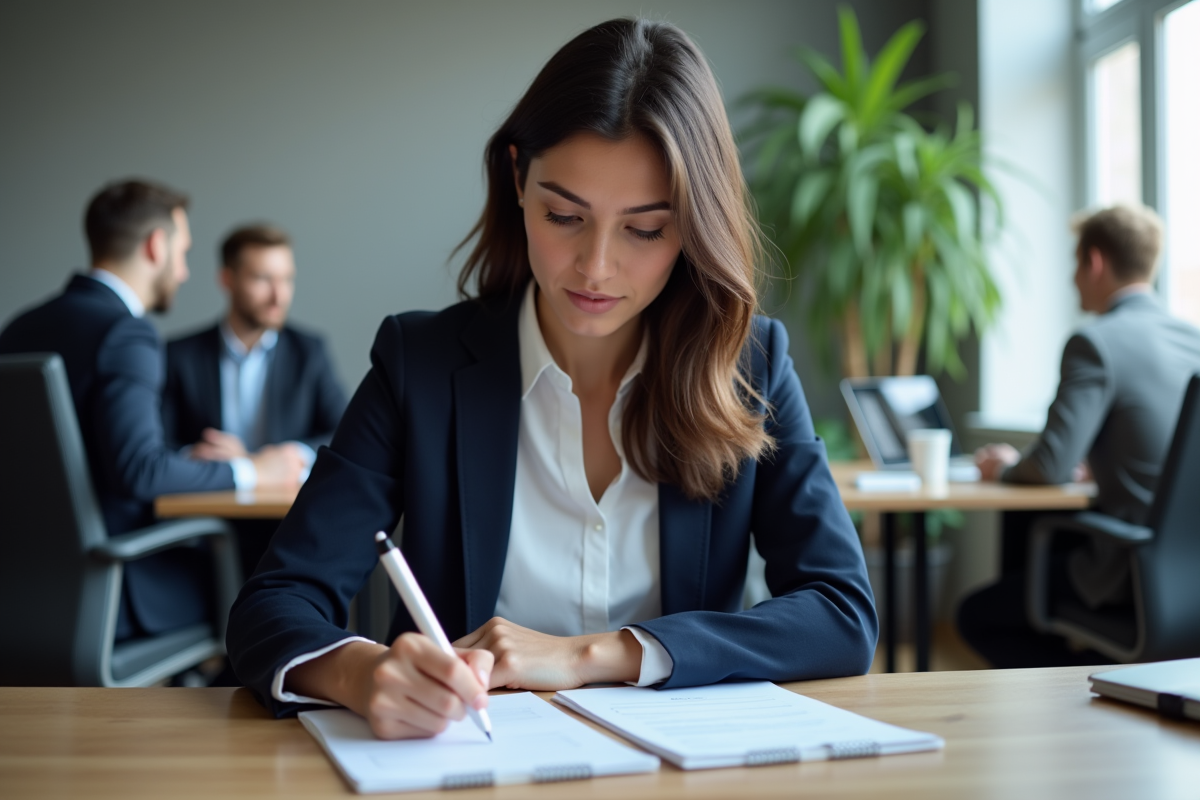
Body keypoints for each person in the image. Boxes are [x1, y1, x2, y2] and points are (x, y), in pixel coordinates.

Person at [227, 18, 877, 738]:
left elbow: (841, 611)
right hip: (472, 769)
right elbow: (273, 604)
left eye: (645, 229)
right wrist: (362, 673)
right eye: (564, 215)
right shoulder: (421, 362)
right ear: (516, 179)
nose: (596, 267)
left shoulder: (749, 364)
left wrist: (593, 657)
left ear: (693, 225)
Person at [0, 180, 305, 642]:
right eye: (182, 251)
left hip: (22, 592)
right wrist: (251, 471)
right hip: (115, 591)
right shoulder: (126, 333)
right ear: (155, 245)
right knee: (255, 589)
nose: (183, 271)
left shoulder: (19, 328)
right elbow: (139, 470)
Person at [962, 204, 1200, 667]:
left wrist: (1004, 467)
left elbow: (1049, 467)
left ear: (1094, 261)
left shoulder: (1096, 342)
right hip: (1192, 578)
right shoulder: (1192, 339)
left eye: (1075, 264)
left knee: (976, 615)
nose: (1073, 279)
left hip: (1132, 574)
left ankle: (1086, 689)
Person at [162, 224, 348, 572]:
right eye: (263, 279)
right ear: (227, 279)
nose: (279, 295)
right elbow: (157, 445)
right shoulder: (179, 355)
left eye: (287, 279)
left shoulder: (309, 351)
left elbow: (344, 433)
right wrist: (204, 457)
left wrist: (274, 458)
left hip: (290, 526)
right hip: (205, 532)